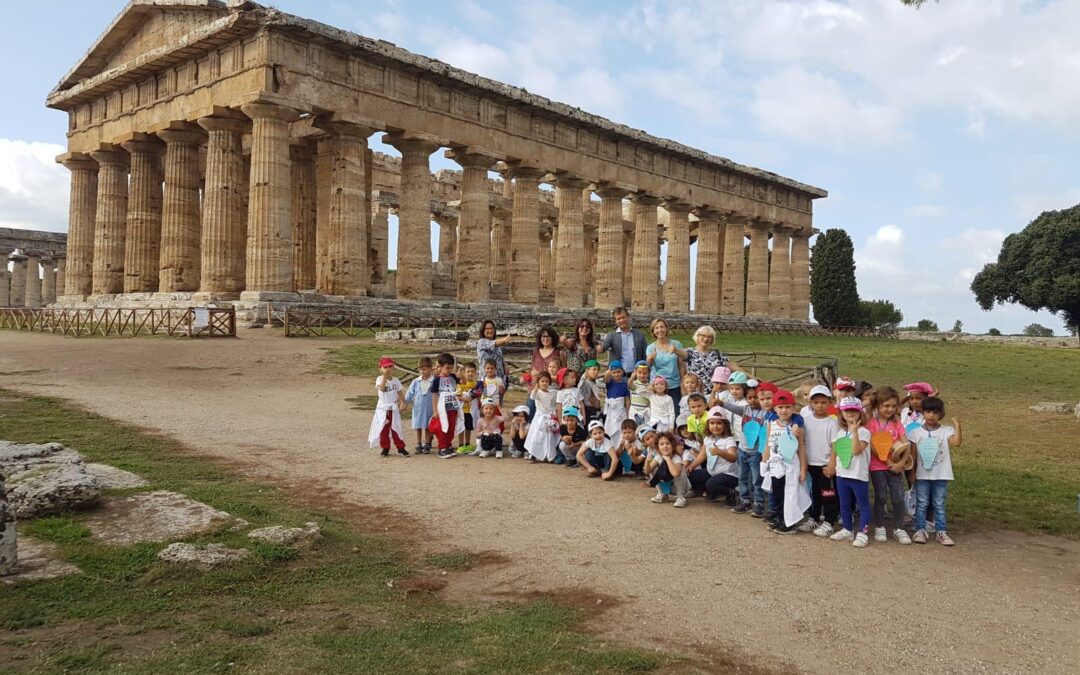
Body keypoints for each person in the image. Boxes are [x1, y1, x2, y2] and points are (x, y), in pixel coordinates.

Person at [907, 396, 961, 546]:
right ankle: (920, 529)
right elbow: (913, 455)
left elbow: (956, 443)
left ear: (941, 414)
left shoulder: (946, 430)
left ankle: (941, 531)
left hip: (941, 474)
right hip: (922, 475)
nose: (931, 415)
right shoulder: (916, 433)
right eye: (928, 411)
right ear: (923, 413)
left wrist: (957, 427)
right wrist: (911, 473)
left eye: (935, 412)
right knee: (922, 502)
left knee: (939, 503)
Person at [867, 386, 911, 544]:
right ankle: (880, 526)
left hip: (896, 468)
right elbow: (872, 446)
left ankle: (899, 528)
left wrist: (900, 463)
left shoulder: (897, 424)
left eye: (893, 406)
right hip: (877, 467)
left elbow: (906, 444)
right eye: (886, 406)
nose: (890, 409)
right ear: (877, 406)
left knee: (898, 498)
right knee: (881, 497)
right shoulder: (871, 424)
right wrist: (888, 461)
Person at [760, 390, 809, 534]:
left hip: (790, 466)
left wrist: (803, 469)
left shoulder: (796, 426)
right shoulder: (771, 423)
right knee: (778, 494)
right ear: (775, 408)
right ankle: (780, 518)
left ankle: (790, 523)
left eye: (787, 407)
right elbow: (768, 444)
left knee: (790, 494)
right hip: (775, 466)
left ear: (793, 408)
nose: (784, 410)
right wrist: (764, 462)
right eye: (780, 407)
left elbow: (801, 448)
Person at [827, 397, 873, 547]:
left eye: (854, 410)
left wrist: (854, 431)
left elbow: (856, 450)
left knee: (863, 504)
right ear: (841, 413)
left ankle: (863, 532)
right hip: (842, 474)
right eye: (847, 410)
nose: (851, 413)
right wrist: (832, 466)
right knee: (844, 503)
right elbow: (835, 451)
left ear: (860, 412)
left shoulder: (864, 432)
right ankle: (847, 529)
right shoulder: (840, 432)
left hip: (858, 475)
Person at [802, 385, 841, 537]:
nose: (819, 405)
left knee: (828, 493)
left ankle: (830, 521)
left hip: (825, 466)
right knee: (814, 493)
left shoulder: (833, 423)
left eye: (823, 402)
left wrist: (832, 465)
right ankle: (814, 517)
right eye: (816, 402)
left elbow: (835, 446)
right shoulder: (805, 420)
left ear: (829, 402)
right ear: (810, 403)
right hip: (810, 464)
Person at [689, 408, 739, 503]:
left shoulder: (729, 440)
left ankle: (732, 493)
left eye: (719, 423)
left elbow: (733, 457)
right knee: (692, 474)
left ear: (725, 425)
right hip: (712, 473)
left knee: (711, 484)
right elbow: (701, 456)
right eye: (712, 423)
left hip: (730, 475)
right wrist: (691, 466)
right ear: (708, 424)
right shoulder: (708, 438)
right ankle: (710, 492)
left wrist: (720, 452)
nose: (715, 426)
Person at [368, 357, 410, 457]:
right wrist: (384, 377)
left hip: (393, 408)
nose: (388, 369)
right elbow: (382, 388)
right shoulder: (379, 379)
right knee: (383, 429)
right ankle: (385, 447)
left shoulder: (395, 380)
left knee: (396, 428)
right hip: (383, 409)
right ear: (380, 369)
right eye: (385, 367)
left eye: (390, 367)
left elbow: (399, 391)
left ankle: (400, 447)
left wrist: (403, 402)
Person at [646, 318, 685, 415]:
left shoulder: (676, 344)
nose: (660, 330)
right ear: (653, 331)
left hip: (674, 384)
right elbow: (648, 368)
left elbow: (681, 365)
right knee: (659, 414)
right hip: (657, 386)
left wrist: (682, 382)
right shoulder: (651, 348)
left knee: (675, 413)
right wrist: (649, 359)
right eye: (657, 328)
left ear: (667, 328)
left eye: (662, 327)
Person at [683, 325, 736, 395]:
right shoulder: (689, 352)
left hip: (716, 394)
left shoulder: (717, 353)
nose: (706, 339)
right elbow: (677, 353)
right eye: (703, 336)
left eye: (709, 337)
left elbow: (731, 365)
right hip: (696, 395)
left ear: (712, 339)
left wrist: (750, 376)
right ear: (697, 336)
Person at [430, 353, 465, 458]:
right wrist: (435, 410)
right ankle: (442, 447)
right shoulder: (436, 380)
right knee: (442, 428)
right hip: (442, 408)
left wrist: (461, 376)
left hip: (453, 406)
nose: (449, 370)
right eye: (447, 368)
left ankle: (448, 445)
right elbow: (435, 396)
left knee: (451, 427)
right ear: (440, 367)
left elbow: (463, 383)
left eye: (451, 368)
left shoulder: (453, 377)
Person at [528, 325, 566, 419]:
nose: (546, 338)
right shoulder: (535, 351)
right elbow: (532, 368)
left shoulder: (559, 353)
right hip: (536, 389)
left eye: (548, 336)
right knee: (529, 414)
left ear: (553, 338)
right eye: (543, 336)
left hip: (552, 391)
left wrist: (545, 377)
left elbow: (563, 375)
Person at [645, 431, 689, 508]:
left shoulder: (676, 458)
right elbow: (647, 471)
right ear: (658, 447)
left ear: (673, 445)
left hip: (679, 487)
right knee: (653, 470)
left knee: (679, 471)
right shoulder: (658, 457)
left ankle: (681, 498)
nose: (665, 446)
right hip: (668, 485)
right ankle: (662, 494)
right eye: (661, 444)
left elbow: (676, 474)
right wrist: (647, 461)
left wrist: (668, 459)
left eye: (668, 443)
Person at [524, 371, 560, 462]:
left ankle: (548, 455)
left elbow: (552, 405)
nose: (544, 383)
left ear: (549, 383)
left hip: (548, 417)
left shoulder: (552, 393)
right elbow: (532, 397)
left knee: (548, 436)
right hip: (539, 417)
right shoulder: (538, 392)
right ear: (539, 382)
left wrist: (553, 415)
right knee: (536, 435)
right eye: (542, 381)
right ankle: (533, 454)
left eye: (547, 381)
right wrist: (536, 388)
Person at [404, 356, 434, 454]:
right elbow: (410, 393)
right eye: (420, 369)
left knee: (428, 426)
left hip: (430, 408)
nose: (422, 371)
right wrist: (404, 402)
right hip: (418, 407)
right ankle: (418, 443)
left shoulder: (434, 381)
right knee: (418, 425)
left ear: (430, 368)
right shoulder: (416, 381)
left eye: (424, 369)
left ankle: (427, 443)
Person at [603, 361, 631, 445]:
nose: (616, 374)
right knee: (610, 428)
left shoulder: (625, 384)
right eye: (614, 373)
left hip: (620, 410)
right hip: (611, 411)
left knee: (619, 428)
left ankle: (619, 447)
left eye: (618, 372)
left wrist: (628, 413)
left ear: (622, 371)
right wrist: (610, 367)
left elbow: (627, 400)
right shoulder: (609, 382)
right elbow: (606, 375)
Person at [455, 362, 479, 454]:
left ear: (475, 373)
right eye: (468, 371)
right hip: (462, 410)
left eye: (472, 371)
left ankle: (467, 444)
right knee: (461, 428)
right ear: (464, 373)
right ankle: (461, 445)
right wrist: (464, 398)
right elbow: (457, 395)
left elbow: (478, 394)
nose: (470, 373)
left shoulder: (476, 384)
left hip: (471, 410)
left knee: (468, 427)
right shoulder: (460, 384)